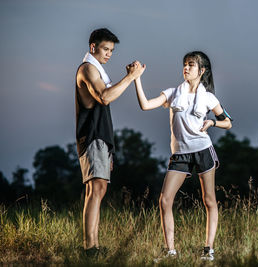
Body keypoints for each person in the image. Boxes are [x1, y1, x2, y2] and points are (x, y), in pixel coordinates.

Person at [131, 51, 233, 261]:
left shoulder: (208, 97)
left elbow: (228, 122)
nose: (186, 68)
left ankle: (208, 250)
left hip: (203, 150)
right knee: (165, 200)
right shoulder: (172, 93)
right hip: (180, 154)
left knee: (209, 200)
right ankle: (170, 252)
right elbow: (145, 105)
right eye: (185, 64)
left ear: (201, 71)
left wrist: (213, 122)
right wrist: (136, 78)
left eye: (191, 65)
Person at [75, 28, 143, 256]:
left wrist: (109, 149)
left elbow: (107, 98)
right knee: (96, 190)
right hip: (91, 136)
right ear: (93, 47)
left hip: (100, 137)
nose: (109, 54)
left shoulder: (99, 71)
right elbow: (104, 97)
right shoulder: (87, 69)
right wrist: (131, 78)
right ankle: (90, 248)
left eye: (112, 50)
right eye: (105, 49)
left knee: (97, 189)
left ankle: (92, 246)